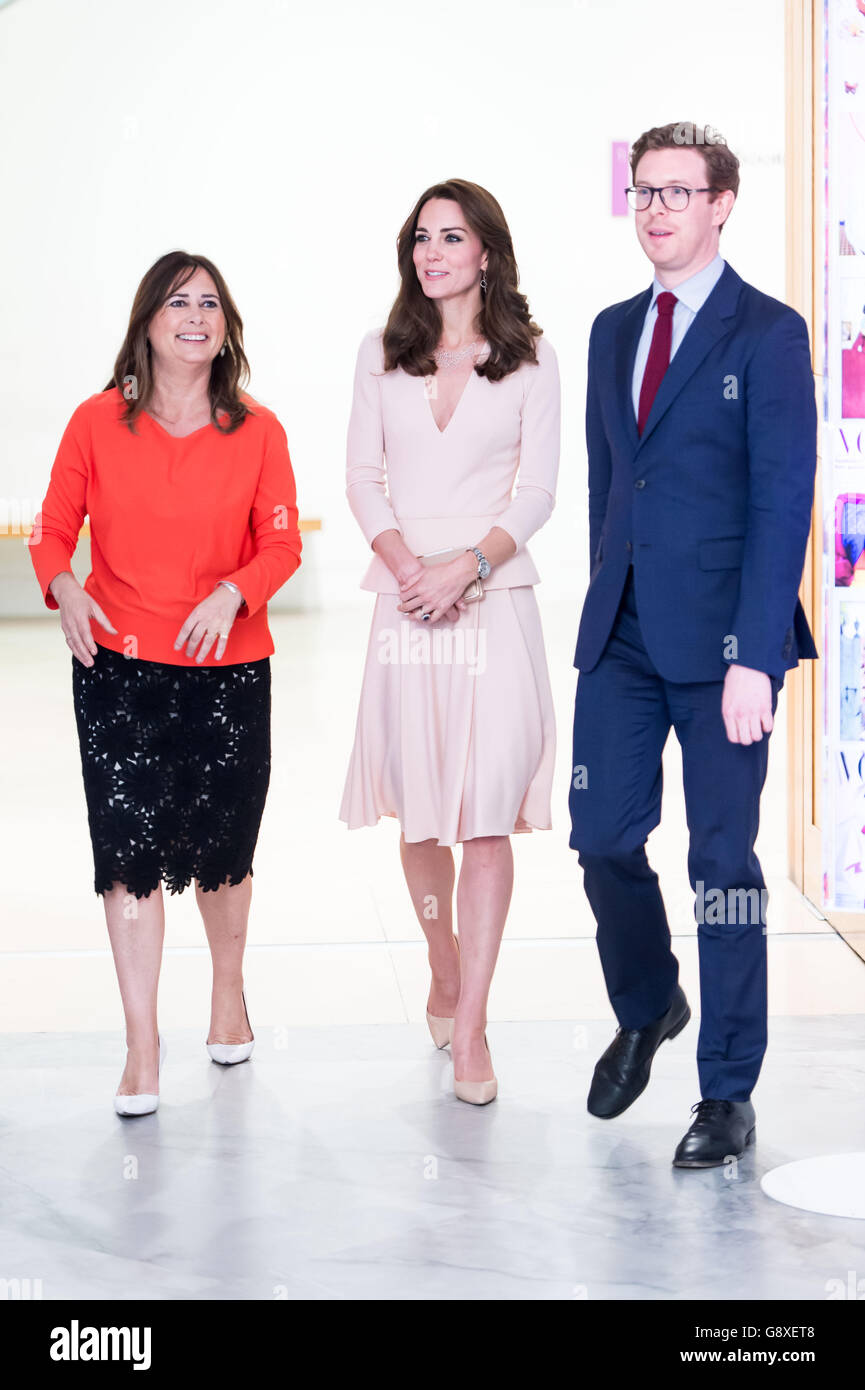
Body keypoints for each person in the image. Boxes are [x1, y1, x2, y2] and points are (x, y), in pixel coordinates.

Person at [569, 123, 818, 1167]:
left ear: (722, 203)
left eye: (677, 190)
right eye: (643, 189)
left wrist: (755, 655)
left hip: (724, 647)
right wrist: (601, 599)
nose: (656, 207)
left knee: (720, 865)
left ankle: (725, 1092)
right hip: (622, 633)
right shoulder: (610, 328)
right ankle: (650, 1000)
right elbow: (605, 486)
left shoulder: (765, 332)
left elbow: (782, 497)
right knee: (601, 835)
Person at [29, 251, 302, 1116]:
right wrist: (64, 586)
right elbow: (50, 530)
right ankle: (140, 1041)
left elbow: (282, 544)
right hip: (117, 669)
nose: (195, 317)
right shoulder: (94, 422)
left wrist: (236, 591)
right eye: (178, 302)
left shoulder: (257, 430)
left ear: (228, 328)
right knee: (128, 854)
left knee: (223, 849)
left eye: (211, 304)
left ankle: (228, 991)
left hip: (228, 672)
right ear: (147, 319)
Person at [340, 179, 560, 1104]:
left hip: (491, 601)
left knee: (482, 811)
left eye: (451, 237)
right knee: (420, 808)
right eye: (421, 238)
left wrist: (464, 566)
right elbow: (361, 477)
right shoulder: (381, 354)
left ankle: (471, 1027)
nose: (433, 253)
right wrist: (407, 569)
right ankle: (442, 957)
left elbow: (538, 492)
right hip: (404, 605)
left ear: (486, 253)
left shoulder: (532, 358)